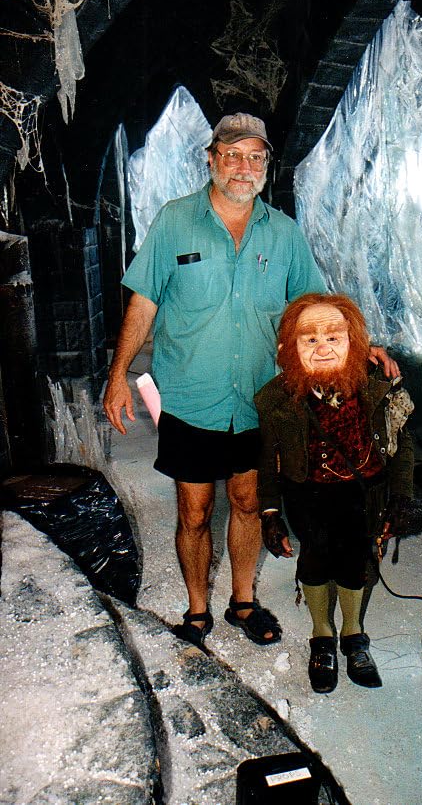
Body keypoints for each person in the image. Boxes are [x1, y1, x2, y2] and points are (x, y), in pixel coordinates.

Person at [103, 112, 400, 650]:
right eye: (233, 155)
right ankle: (197, 610)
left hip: (260, 398)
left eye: (255, 157)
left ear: (266, 165)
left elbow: (313, 306)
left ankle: (242, 601)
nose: (243, 167)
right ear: (212, 159)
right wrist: (118, 374)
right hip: (191, 397)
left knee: (247, 502)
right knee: (194, 510)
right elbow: (143, 302)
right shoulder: (174, 221)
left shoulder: (283, 232)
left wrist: (362, 344)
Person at [254, 293, 414, 693]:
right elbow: (267, 460)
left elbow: (402, 445)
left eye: (333, 338)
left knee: (355, 561)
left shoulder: (378, 387)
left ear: (353, 343)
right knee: (314, 559)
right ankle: (321, 637)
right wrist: (269, 514)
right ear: (289, 348)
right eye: (309, 339)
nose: (323, 348)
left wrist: (401, 497)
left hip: (365, 493)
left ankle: (353, 635)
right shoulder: (275, 398)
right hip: (306, 494)